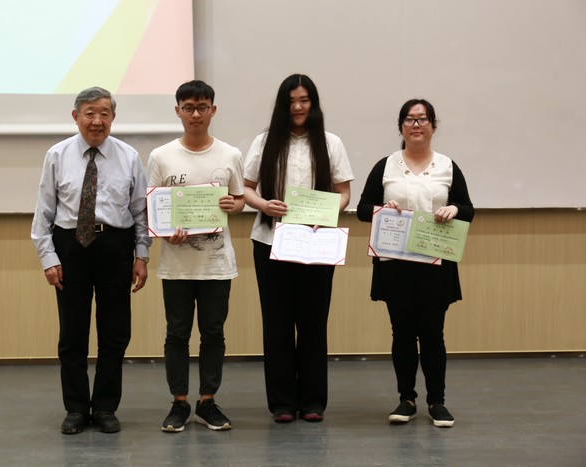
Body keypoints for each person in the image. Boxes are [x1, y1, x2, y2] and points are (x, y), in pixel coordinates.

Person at [31, 86, 152, 434]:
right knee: (72, 334)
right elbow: (44, 211)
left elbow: (141, 211)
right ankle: (75, 408)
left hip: (115, 245)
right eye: (89, 113)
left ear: (113, 117)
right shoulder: (57, 155)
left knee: (115, 333)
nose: (97, 121)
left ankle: (105, 407)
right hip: (70, 247)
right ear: (76, 116)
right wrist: (48, 257)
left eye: (104, 113)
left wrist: (142, 254)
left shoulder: (128, 156)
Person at [356, 98, 474, 428]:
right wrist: (383, 209)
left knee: (433, 333)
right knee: (403, 332)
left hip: (435, 263)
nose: (416, 125)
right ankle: (406, 399)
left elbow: (468, 209)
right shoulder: (386, 166)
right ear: (401, 127)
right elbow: (363, 208)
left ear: (433, 126)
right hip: (396, 263)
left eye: (423, 119)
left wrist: (454, 209)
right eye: (409, 119)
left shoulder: (448, 166)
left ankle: (437, 402)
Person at [243, 74, 354, 423]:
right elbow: (245, 188)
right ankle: (282, 403)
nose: (298, 107)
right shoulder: (265, 141)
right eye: (291, 101)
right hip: (270, 241)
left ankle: (313, 402)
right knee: (276, 323)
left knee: (313, 322)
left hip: (317, 243)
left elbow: (344, 192)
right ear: (282, 105)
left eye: (304, 100)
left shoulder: (331, 142)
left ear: (313, 103)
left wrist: (327, 213)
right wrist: (264, 205)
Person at [146, 80, 245, 433]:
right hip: (176, 265)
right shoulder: (161, 156)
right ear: (178, 111)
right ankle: (179, 402)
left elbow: (240, 199)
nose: (195, 114)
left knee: (213, 333)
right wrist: (164, 231)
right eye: (188, 108)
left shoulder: (230, 154)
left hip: (217, 265)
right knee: (176, 334)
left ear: (213, 110)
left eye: (202, 107)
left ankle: (207, 401)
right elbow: (153, 208)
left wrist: (233, 205)